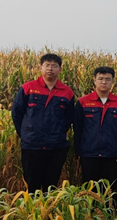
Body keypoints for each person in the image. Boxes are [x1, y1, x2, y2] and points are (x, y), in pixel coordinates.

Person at [11, 53, 75, 194]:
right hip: (32, 145)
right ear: (40, 68)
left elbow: (69, 118)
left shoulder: (67, 92)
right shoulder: (28, 88)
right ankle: (32, 208)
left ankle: (48, 208)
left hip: (56, 146)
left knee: (50, 186)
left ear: (60, 69)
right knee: (32, 184)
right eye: (47, 65)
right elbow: (17, 113)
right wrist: (26, 134)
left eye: (54, 66)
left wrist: (58, 133)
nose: (50, 69)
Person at [73, 67, 117, 194]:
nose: (104, 82)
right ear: (94, 80)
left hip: (112, 154)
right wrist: (78, 152)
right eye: (100, 79)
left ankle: (110, 208)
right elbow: (77, 129)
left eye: (107, 79)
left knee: (110, 190)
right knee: (90, 190)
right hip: (89, 154)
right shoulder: (83, 102)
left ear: (112, 82)